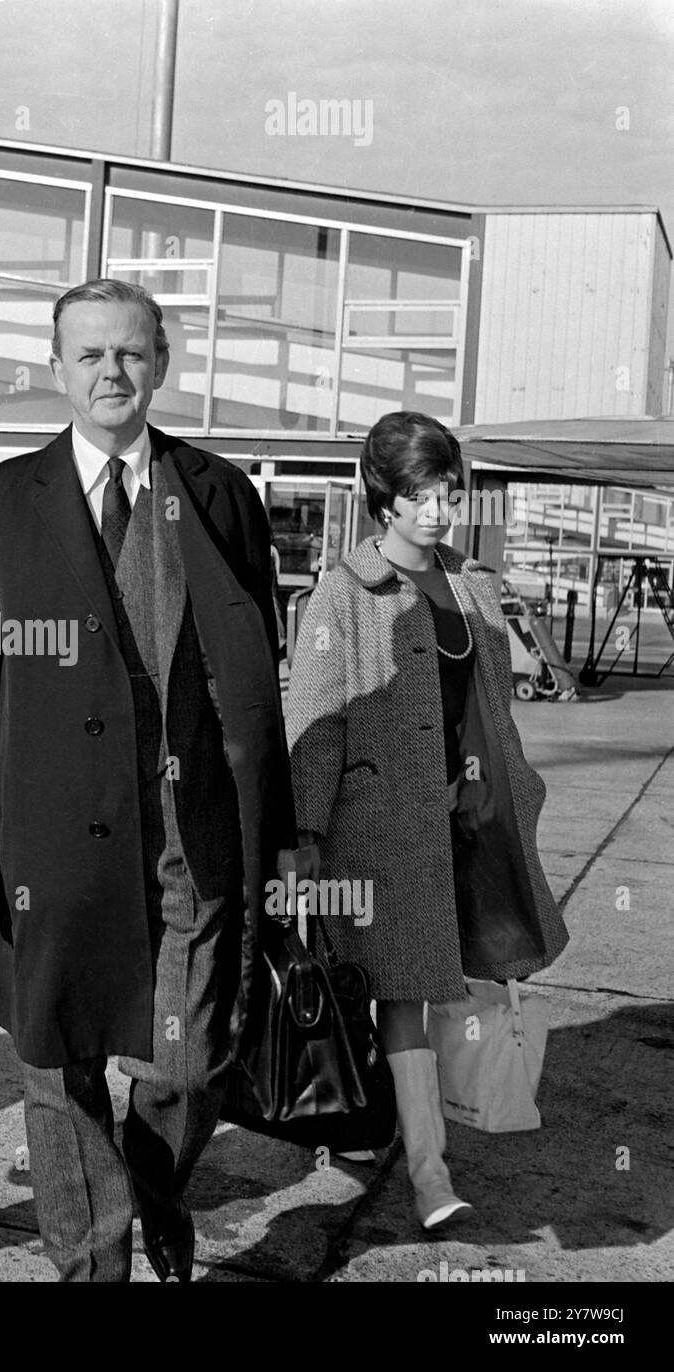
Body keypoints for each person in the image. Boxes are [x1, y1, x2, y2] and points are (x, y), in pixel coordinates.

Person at [0, 279, 309, 1282]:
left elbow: (255, 676)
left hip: (194, 829)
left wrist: (276, 836)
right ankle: (92, 1264)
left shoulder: (218, 493)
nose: (111, 372)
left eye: (131, 353)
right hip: (45, 843)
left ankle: (151, 1191)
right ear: (58, 367)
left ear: (162, 365)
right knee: (60, 1066)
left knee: (190, 1057)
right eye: (90, 354)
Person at [285, 410, 569, 1231]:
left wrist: (503, 785)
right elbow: (316, 719)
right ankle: (429, 1176)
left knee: (456, 982)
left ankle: (376, 1124)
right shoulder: (345, 590)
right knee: (406, 994)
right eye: (419, 492)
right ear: (385, 497)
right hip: (376, 828)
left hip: (465, 820)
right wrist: (303, 837)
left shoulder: (472, 583)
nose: (438, 507)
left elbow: (490, 707)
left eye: (447, 489)